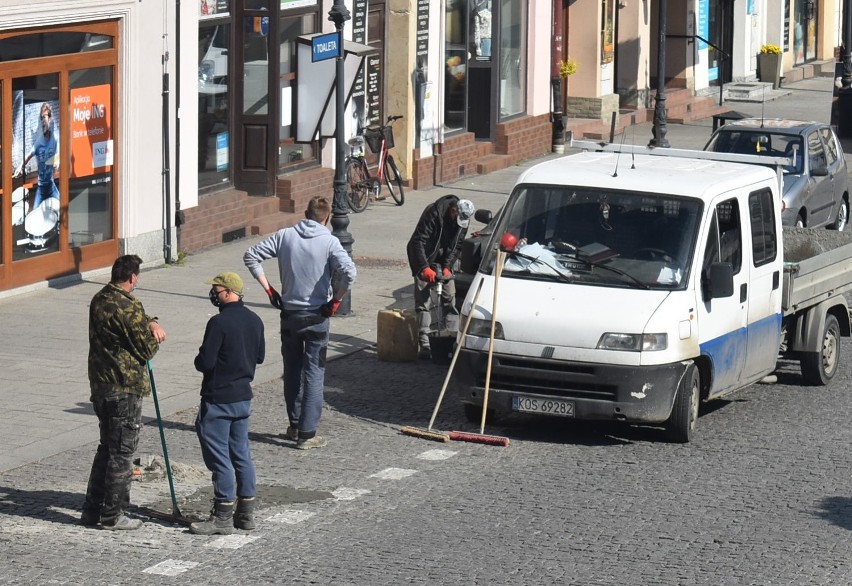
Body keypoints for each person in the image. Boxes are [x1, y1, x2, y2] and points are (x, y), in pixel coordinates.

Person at [243, 196, 356, 450]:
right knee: (314, 372)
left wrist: (269, 290)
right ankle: (307, 433)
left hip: (290, 315)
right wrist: (336, 299)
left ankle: (294, 425)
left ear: (305, 212)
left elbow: (251, 256)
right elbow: (349, 272)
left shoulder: (285, 236)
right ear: (327, 218)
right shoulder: (330, 241)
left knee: (292, 370)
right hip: (317, 315)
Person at [81, 255, 167, 530]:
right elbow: (145, 348)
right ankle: (113, 515)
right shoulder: (127, 306)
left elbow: (136, 321)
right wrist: (155, 332)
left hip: (100, 385)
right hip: (124, 386)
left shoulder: (100, 298)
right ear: (133, 278)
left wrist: (150, 320)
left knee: (106, 448)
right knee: (122, 452)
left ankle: (92, 510)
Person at [190, 272, 265, 535]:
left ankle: (222, 516)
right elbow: (260, 356)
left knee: (220, 458)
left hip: (218, 399)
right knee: (242, 455)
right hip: (243, 397)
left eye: (217, 290)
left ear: (229, 292)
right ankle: (246, 515)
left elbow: (206, 362)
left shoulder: (219, 323)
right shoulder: (255, 320)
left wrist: (201, 359)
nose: (214, 294)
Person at [406, 194, 474, 360]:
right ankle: (425, 343)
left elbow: (457, 246)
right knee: (423, 302)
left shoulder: (463, 220)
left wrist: (447, 267)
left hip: (444, 259)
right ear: (453, 210)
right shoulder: (433, 213)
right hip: (425, 256)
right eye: (456, 217)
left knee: (449, 299)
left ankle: (450, 339)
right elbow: (418, 242)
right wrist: (424, 268)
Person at [15, 102, 60, 210]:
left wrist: (57, 161)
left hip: (51, 187)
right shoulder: (39, 143)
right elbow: (28, 156)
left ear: (50, 119)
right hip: (41, 188)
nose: (43, 120)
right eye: (42, 118)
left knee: (61, 211)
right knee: (35, 215)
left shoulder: (55, 139)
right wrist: (19, 167)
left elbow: (59, 155)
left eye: (45, 117)